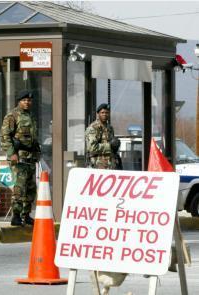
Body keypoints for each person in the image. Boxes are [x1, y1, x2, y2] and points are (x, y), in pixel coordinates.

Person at [85, 103, 125, 295]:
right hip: (99, 170)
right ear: (97, 113)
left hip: (111, 169)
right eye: (102, 112)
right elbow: (91, 148)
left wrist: (116, 154)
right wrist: (111, 145)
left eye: (107, 112)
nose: (105, 114)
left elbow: (112, 148)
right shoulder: (92, 128)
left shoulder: (109, 128)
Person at [0, 90, 40, 226]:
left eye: (29, 100)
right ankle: (16, 216)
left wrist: (37, 153)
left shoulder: (31, 116)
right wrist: (12, 154)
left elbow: (34, 138)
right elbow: (5, 136)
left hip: (30, 157)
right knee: (19, 188)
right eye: (24, 100)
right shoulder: (12, 116)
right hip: (19, 157)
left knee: (30, 188)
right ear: (19, 101)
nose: (27, 102)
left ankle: (26, 214)